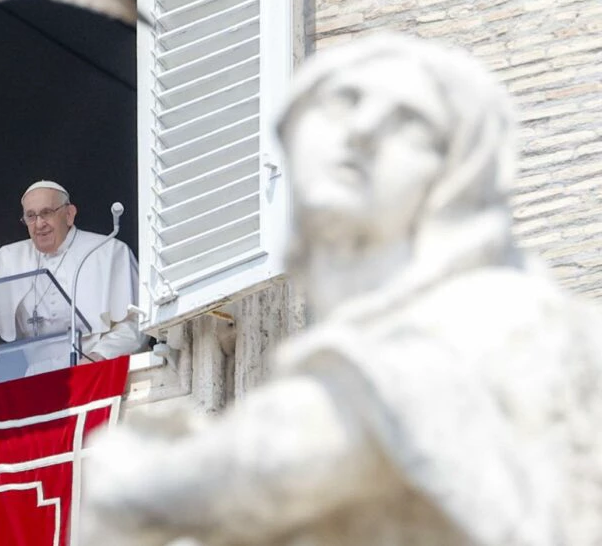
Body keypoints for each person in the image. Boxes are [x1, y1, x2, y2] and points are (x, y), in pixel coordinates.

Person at [80, 34, 602, 545]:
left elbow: (288, 456)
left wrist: (131, 473)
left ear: (457, 175)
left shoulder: (473, 316)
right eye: (342, 103)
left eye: (409, 122)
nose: (363, 131)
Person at [0, 180, 143, 375]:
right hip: (36, 380)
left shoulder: (109, 252)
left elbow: (136, 324)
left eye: (47, 212)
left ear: (69, 214)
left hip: (96, 373)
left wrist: (99, 357)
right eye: (31, 216)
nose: (39, 224)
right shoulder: (10, 258)